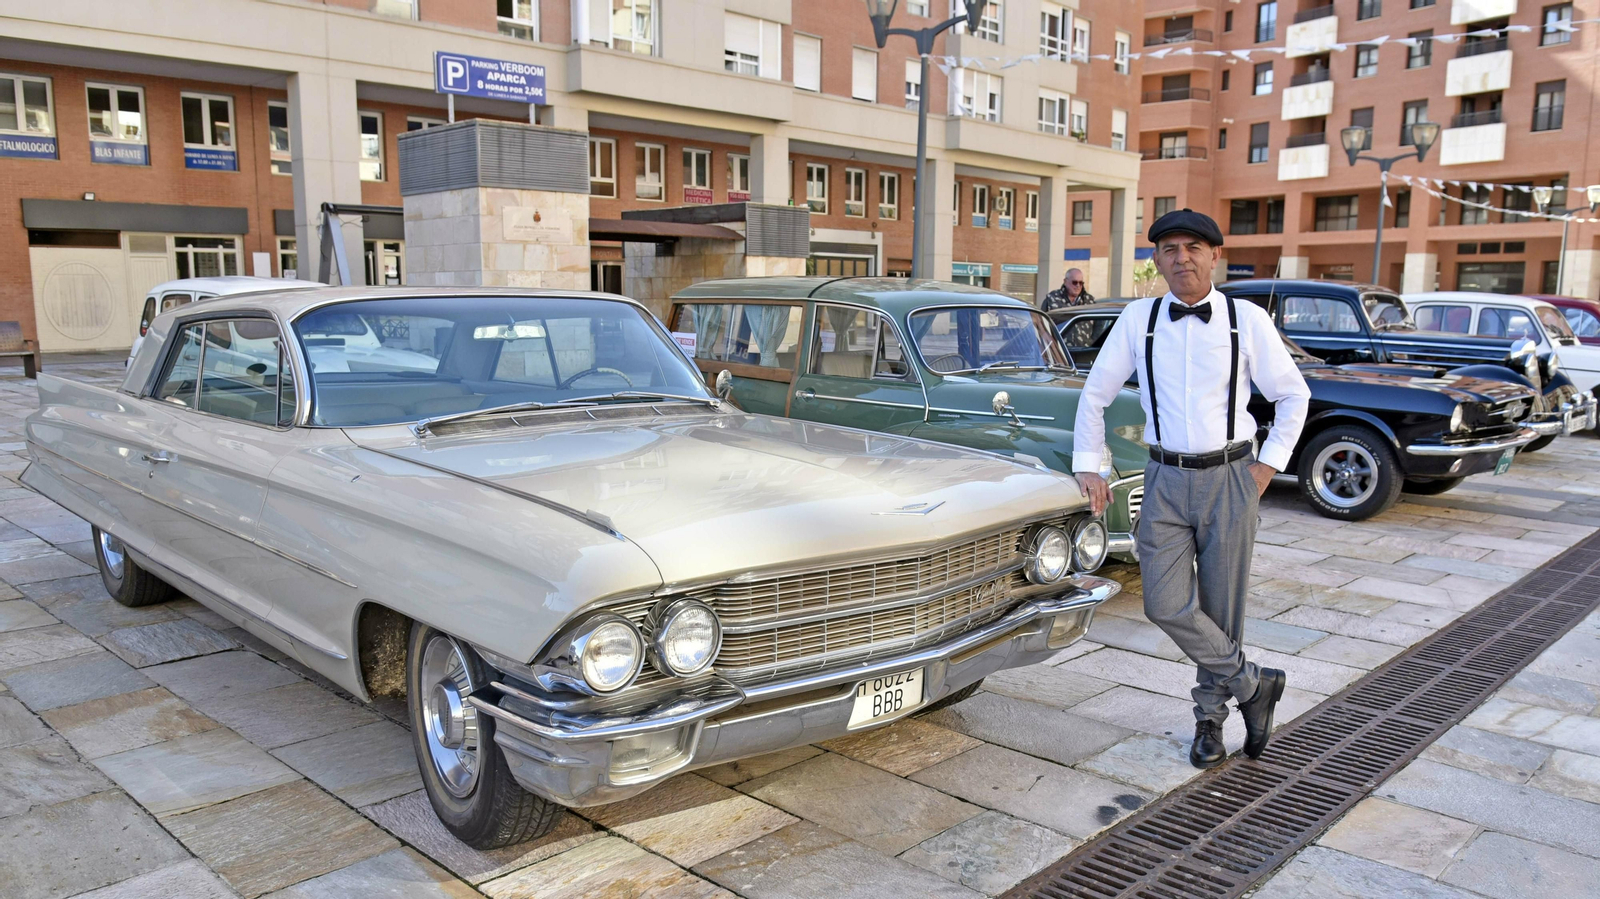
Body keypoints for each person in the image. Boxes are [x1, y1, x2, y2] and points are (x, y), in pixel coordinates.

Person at [1071, 209, 1311, 769]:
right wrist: (1090, 464)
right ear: (1156, 259)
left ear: (1214, 256)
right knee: (1164, 603)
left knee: (1222, 609)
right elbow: (1094, 395)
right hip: (1163, 478)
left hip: (1231, 477)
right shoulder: (1138, 318)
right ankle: (1254, 685)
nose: (1182, 258)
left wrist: (1268, 466)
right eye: (1170, 248)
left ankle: (1210, 721)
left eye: (1193, 247)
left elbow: (1292, 395)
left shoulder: (1245, 319)